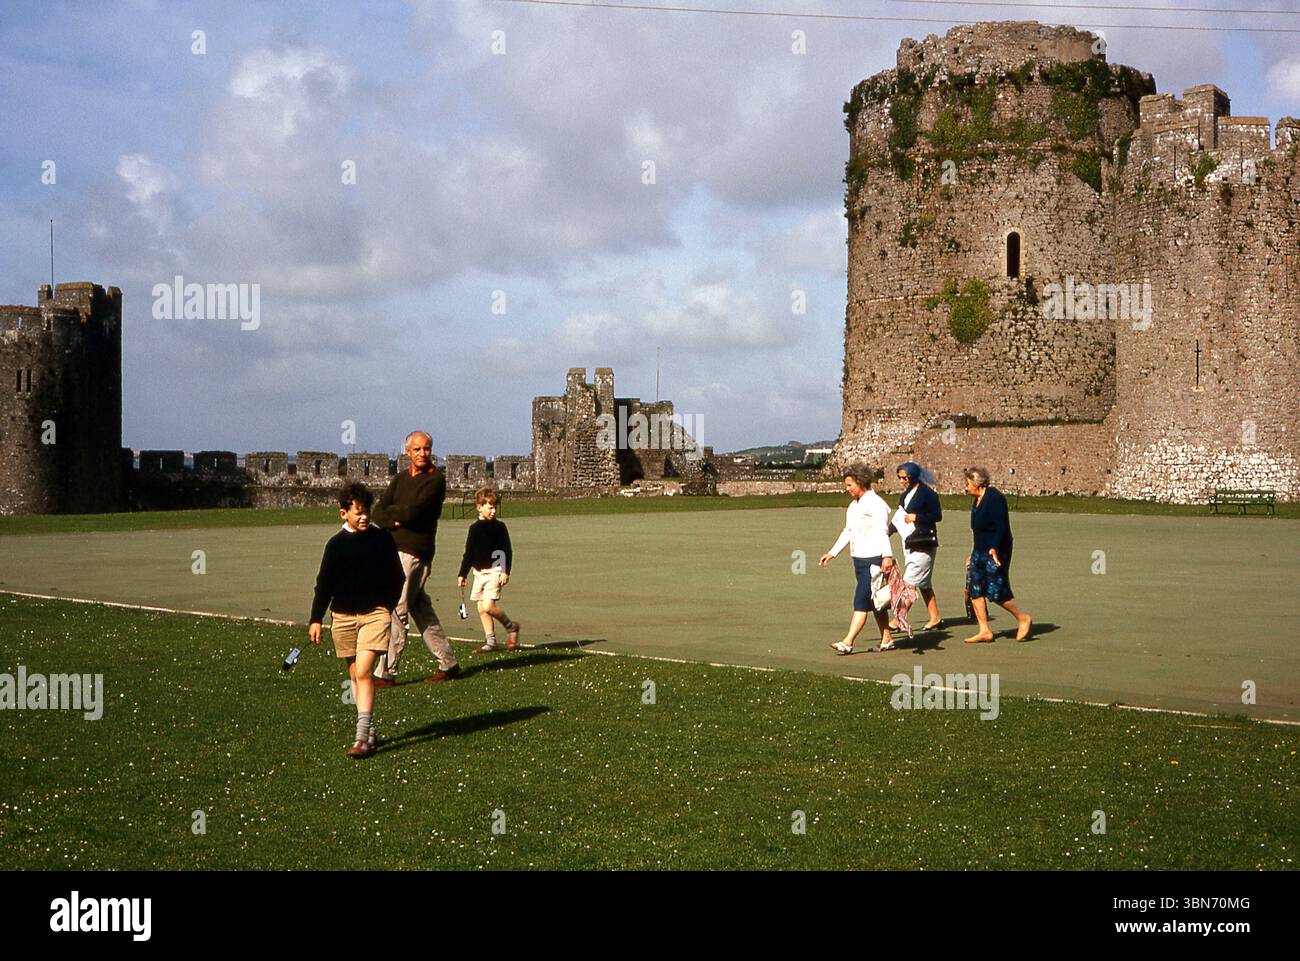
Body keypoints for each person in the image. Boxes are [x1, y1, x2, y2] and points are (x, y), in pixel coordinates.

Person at [308, 483, 404, 759]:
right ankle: (371, 731)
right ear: (343, 514)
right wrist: (316, 618)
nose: (365, 517)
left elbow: (397, 577)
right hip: (343, 617)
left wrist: (386, 606)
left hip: (375, 615)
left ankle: (361, 737)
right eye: (359, 513)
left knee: (364, 673)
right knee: (354, 676)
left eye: (367, 512)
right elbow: (323, 584)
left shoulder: (382, 539)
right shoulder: (335, 545)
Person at [370, 430, 461, 685]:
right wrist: (394, 518)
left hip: (415, 551)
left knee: (397, 609)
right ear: (408, 452)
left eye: (427, 448)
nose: (423, 454)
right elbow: (378, 512)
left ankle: (386, 672)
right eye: (417, 449)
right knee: (420, 608)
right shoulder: (400, 479)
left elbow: (417, 512)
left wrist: (396, 516)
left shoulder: (435, 481)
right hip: (394, 550)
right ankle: (449, 662)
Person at [818, 463, 897, 654]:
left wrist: (887, 556)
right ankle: (887, 638)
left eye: (849, 485)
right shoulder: (854, 506)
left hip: (874, 559)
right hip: (859, 560)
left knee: (861, 600)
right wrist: (832, 553)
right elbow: (848, 531)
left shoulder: (876, 503)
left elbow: (882, 530)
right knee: (874, 600)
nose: (847, 489)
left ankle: (848, 642)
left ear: (860, 482)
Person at [962, 466, 1032, 643]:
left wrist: (994, 548)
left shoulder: (994, 498)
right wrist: (973, 553)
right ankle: (984, 630)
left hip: (998, 550)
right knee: (974, 588)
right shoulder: (976, 500)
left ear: (977, 483)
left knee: (995, 591)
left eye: (968, 483)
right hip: (980, 550)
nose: (965, 487)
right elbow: (978, 531)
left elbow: (1001, 526)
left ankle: (1022, 618)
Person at [458, 487, 522, 654]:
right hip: (478, 573)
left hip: (495, 571)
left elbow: (505, 550)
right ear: (479, 507)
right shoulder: (474, 529)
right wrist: (462, 574)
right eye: (490, 507)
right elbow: (469, 553)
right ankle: (491, 641)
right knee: (481, 608)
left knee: (488, 606)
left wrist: (505, 571)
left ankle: (511, 626)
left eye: (495, 507)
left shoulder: (500, 527)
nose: (493, 511)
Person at [889, 461, 943, 630]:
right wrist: (887, 531)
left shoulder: (928, 494)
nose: (902, 481)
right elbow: (899, 517)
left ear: (912, 476)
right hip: (910, 542)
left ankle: (898, 618)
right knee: (924, 583)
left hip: (924, 543)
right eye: (899, 478)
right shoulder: (905, 495)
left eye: (904, 478)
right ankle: (935, 617)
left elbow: (937, 515)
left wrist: (917, 517)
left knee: (909, 583)